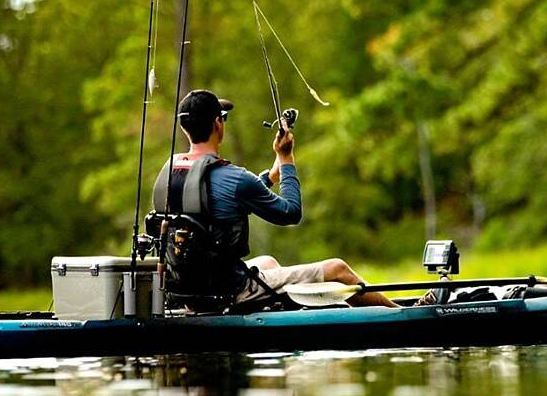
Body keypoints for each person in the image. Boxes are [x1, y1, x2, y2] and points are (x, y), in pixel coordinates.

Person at [152, 89, 397, 309]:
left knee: (267, 263)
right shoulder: (235, 178)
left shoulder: (170, 173)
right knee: (338, 270)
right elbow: (290, 213)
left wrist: (271, 175)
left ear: (186, 128)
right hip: (230, 291)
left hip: (189, 291)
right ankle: (401, 315)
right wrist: (287, 160)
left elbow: (222, 201)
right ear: (218, 123)